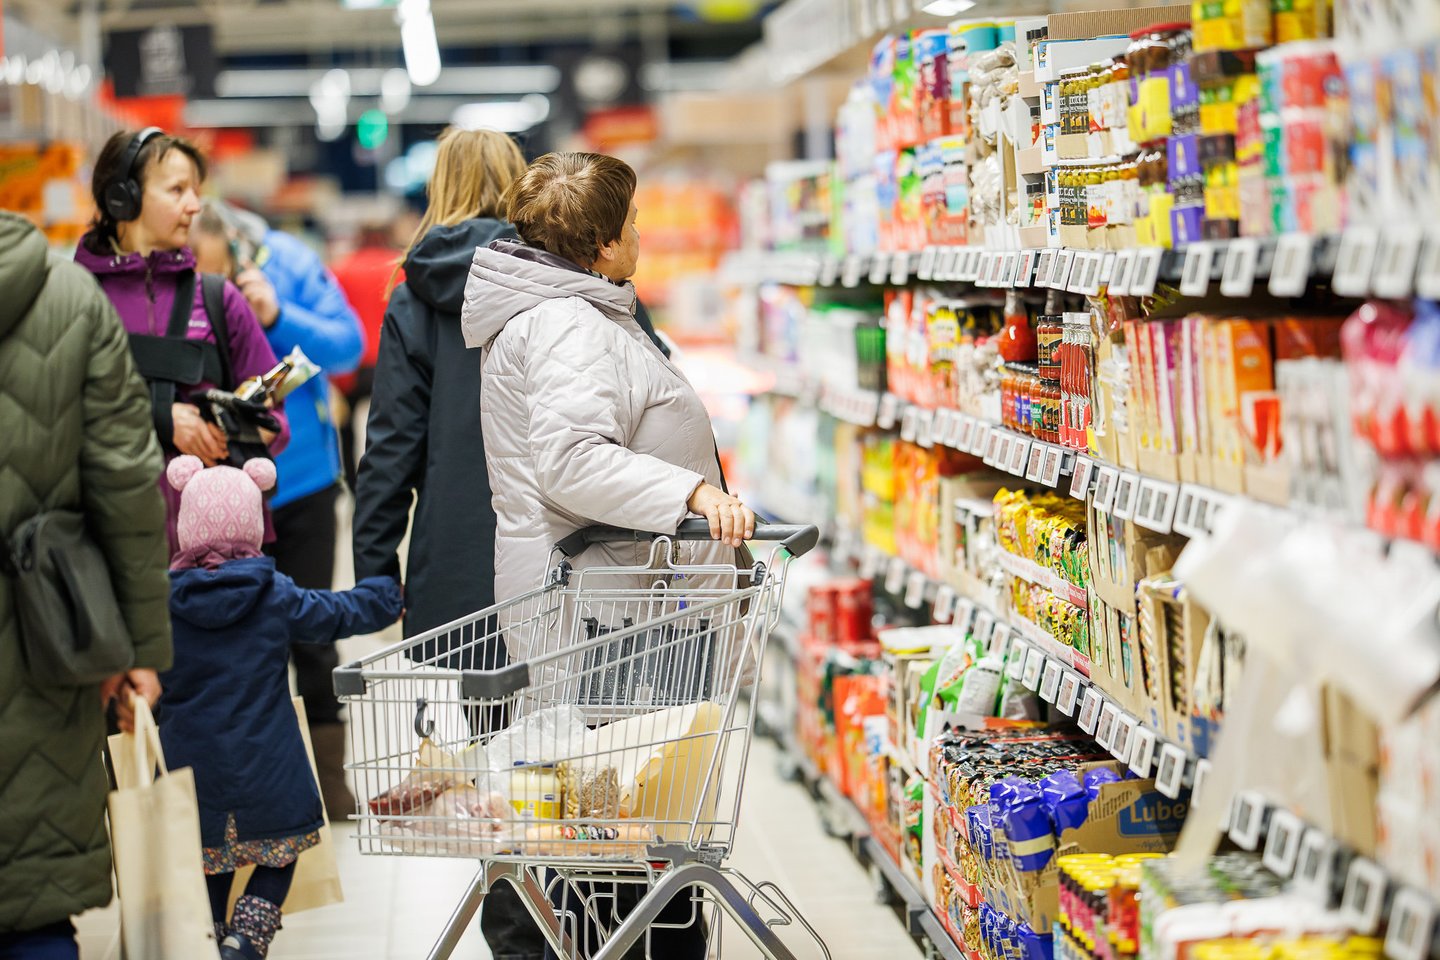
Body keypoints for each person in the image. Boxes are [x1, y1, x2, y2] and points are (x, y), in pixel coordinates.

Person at [459, 152, 755, 960]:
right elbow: (573, 462)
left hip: (607, 609)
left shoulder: (577, 310)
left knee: (613, 840)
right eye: (630, 225)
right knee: (621, 845)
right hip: (602, 621)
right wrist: (693, 496)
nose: (641, 236)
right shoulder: (565, 325)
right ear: (598, 248)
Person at [350, 126, 549, 960]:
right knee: (567, 748)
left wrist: (375, 564)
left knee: (494, 758)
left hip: (467, 562)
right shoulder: (561, 277)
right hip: (564, 552)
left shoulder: (414, 294)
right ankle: (582, 914)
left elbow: (392, 440)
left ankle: (516, 934)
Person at [0, 210, 172, 957]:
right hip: (43, 637)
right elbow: (128, 488)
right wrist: (136, 645)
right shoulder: (69, 299)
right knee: (33, 894)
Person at [159, 455, 401, 960]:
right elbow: (339, 614)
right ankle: (246, 939)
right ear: (254, 528)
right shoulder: (273, 594)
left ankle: (212, 934)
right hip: (267, 765)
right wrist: (384, 595)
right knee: (282, 852)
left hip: (189, 766)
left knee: (210, 860)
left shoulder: (162, 606)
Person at [192, 201, 365, 818]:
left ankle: (331, 783)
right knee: (241, 641)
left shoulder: (289, 261)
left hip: (304, 485)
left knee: (312, 633)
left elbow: (348, 346)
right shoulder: (174, 276)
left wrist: (276, 312)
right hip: (221, 495)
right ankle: (264, 786)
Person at [73, 127, 290, 555]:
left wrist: (238, 430)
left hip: (220, 558)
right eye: (176, 190)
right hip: (109, 544)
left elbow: (276, 416)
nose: (194, 205)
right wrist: (159, 418)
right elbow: (55, 417)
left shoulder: (218, 297)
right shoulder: (75, 296)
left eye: (196, 190)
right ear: (124, 198)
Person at [328, 221, 398, 490]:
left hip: (351, 367)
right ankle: (387, 484)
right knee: (391, 427)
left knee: (345, 432)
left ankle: (353, 486)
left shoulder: (342, 269)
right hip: (388, 361)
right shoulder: (397, 267)